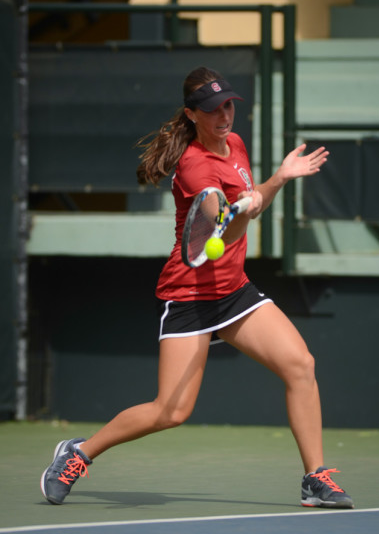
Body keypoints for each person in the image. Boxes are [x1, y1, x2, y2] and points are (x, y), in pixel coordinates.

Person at [40, 66, 354, 509]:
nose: (224, 115)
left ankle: (315, 479)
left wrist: (277, 179)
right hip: (187, 296)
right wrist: (232, 208)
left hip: (234, 290)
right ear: (192, 114)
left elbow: (253, 204)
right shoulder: (193, 165)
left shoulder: (236, 145)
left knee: (300, 364)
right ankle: (78, 453)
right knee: (171, 411)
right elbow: (219, 225)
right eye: (212, 109)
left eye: (228, 104)